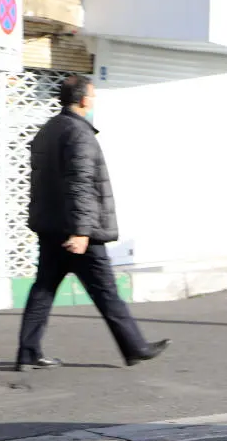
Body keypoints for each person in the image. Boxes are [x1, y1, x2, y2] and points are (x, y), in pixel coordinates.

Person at [15, 75, 169, 371]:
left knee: (43, 291)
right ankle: (135, 347)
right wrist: (82, 231)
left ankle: (27, 353)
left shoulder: (48, 130)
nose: (94, 101)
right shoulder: (79, 133)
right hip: (77, 232)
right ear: (84, 99)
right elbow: (80, 185)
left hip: (51, 228)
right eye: (93, 96)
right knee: (106, 292)